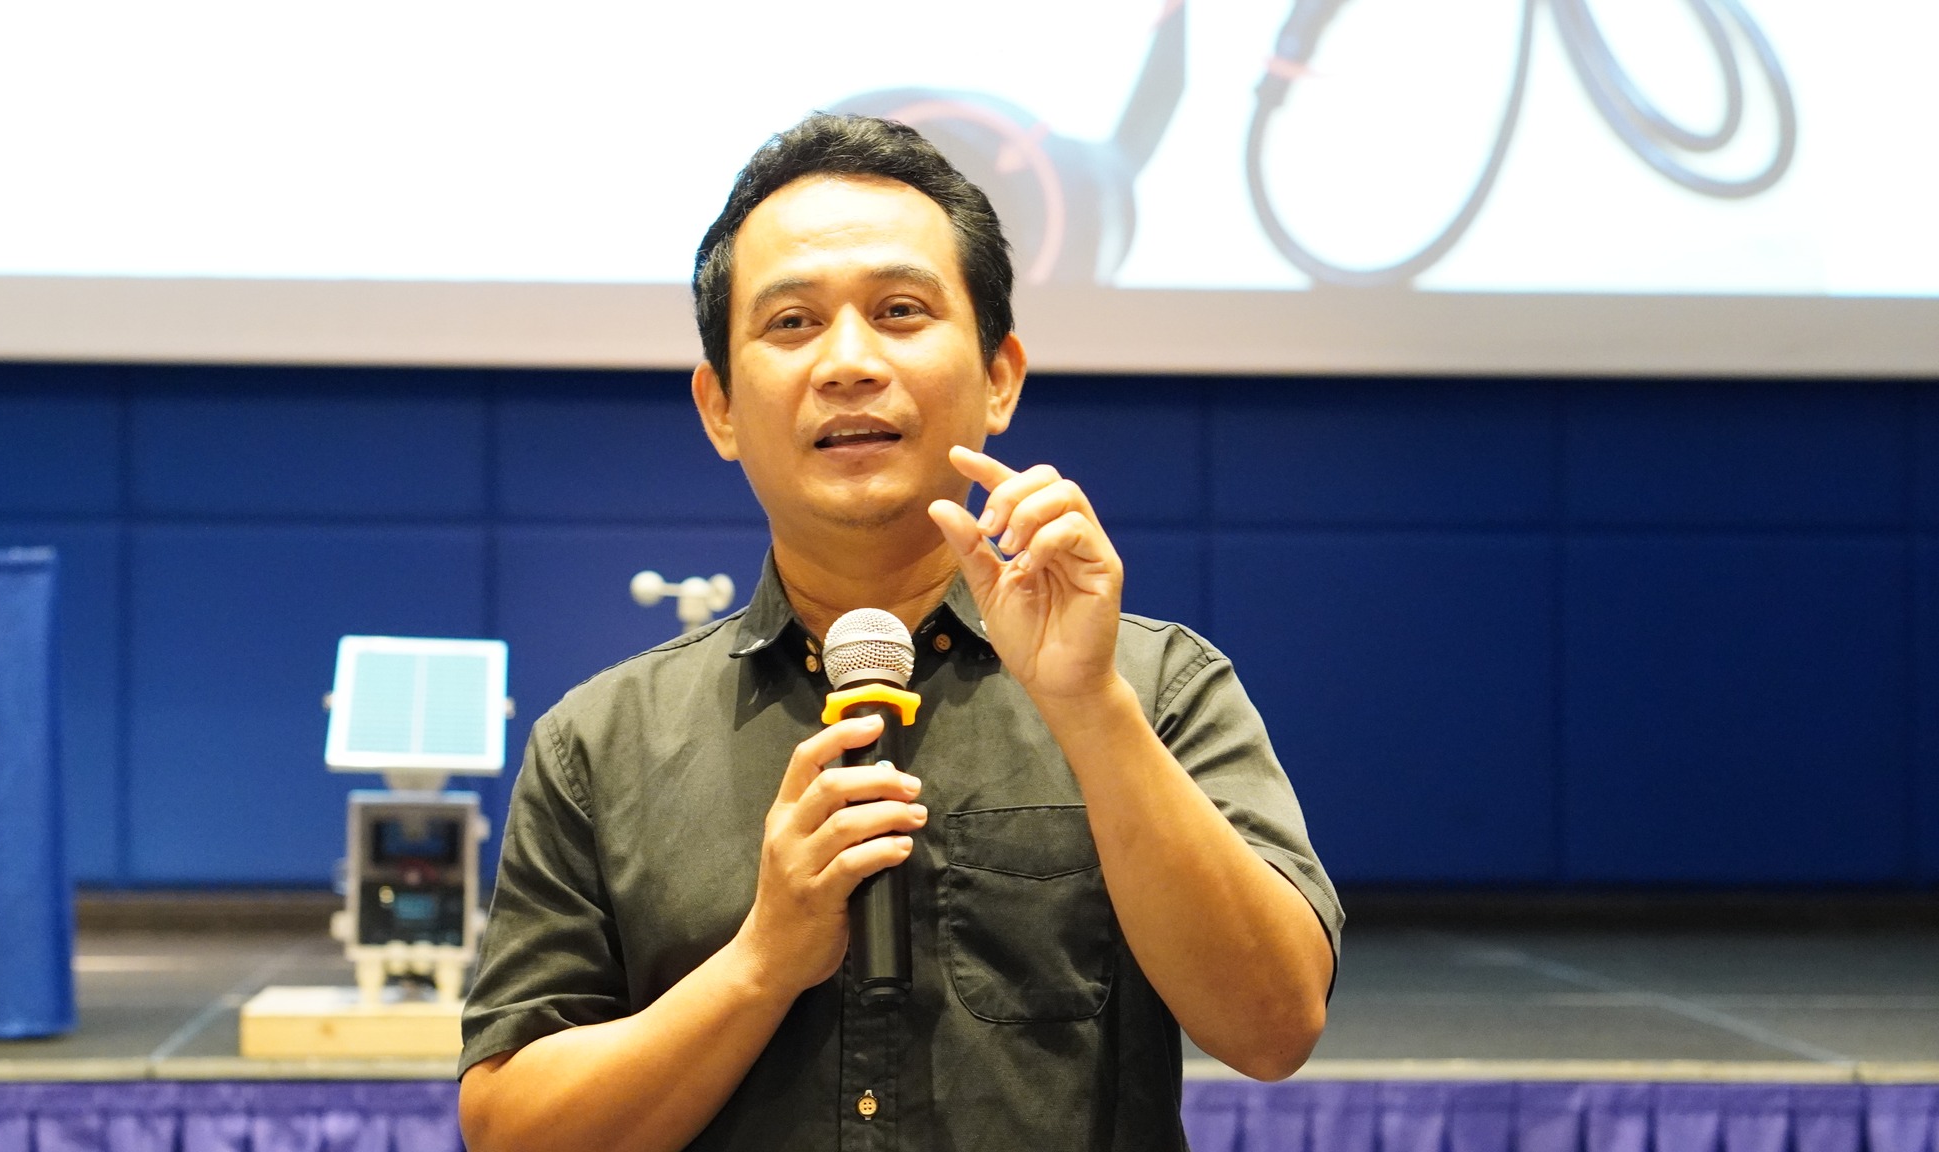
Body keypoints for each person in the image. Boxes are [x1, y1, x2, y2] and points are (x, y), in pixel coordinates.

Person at [457, 113, 1341, 1152]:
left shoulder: (1154, 685)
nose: (847, 362)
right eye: (792, 322)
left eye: (900, 311)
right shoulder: (601, 742)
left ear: (999, 377)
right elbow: (510, 1128)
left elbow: (1273, 1028)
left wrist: (1090, 710)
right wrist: (760, 964)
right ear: (720, 407)